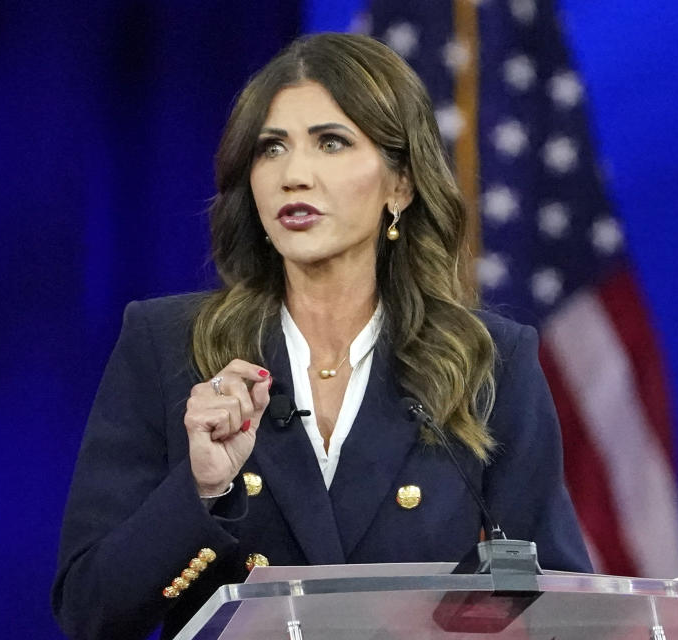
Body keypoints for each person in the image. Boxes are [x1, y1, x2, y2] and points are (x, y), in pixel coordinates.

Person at [53, 32, 591, 640]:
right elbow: (90, 611)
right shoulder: (168, 347)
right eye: (270, 149)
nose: (294, 175)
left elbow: (561, 610)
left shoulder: (488, 362)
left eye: (331, 143)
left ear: (401, 184)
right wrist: (200, 489)